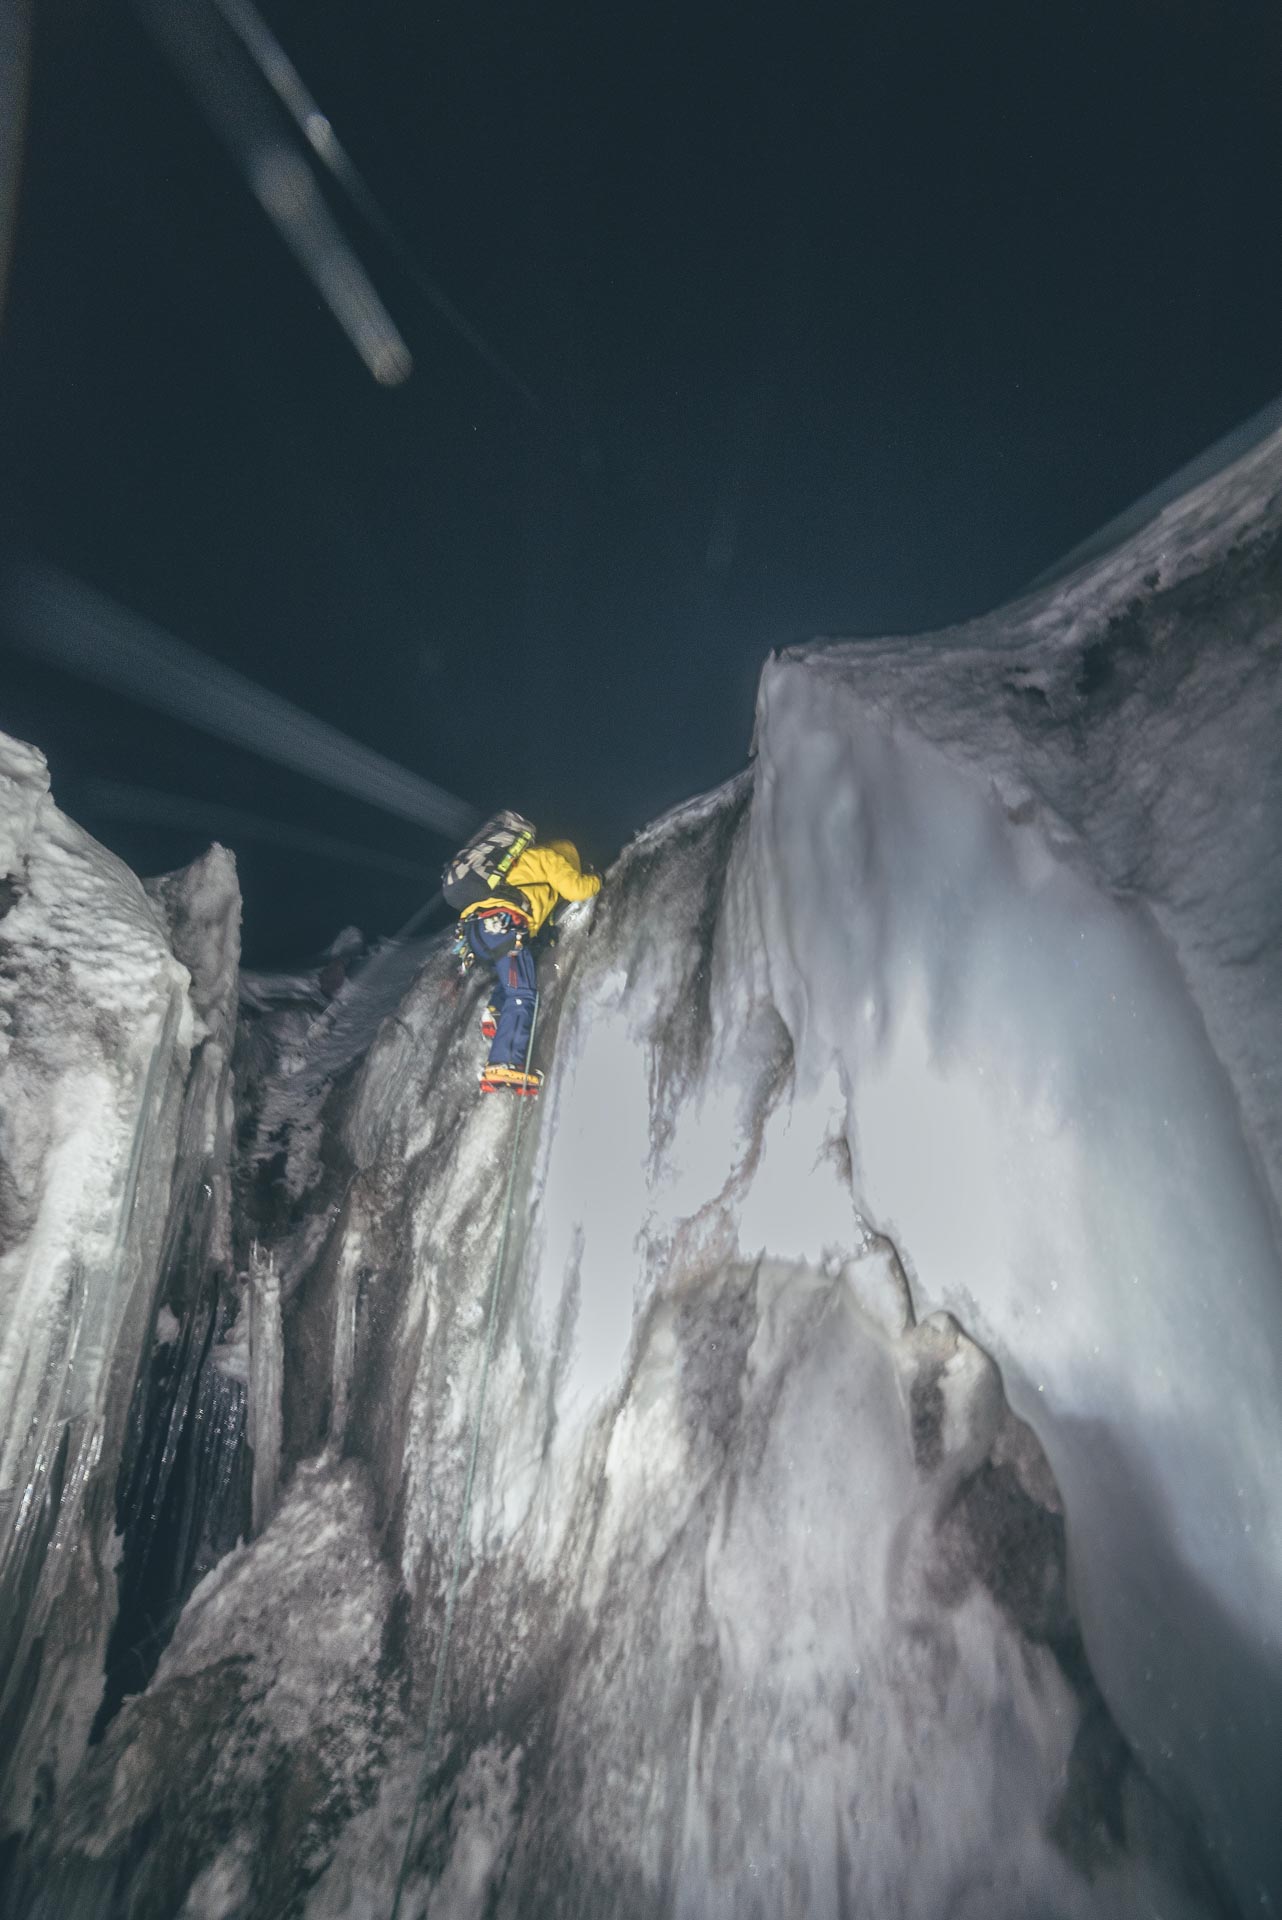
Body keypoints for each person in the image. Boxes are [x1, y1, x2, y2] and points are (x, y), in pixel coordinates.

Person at [459, 837, 601, 1096]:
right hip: (502, 925)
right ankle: (504, 1062)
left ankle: (496, 1013)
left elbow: (539, 915)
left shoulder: (516, 865)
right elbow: (577, 889)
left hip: (478, 930)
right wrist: (598, 880)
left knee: (516, 973)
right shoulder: (549, 858)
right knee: (523, 993)